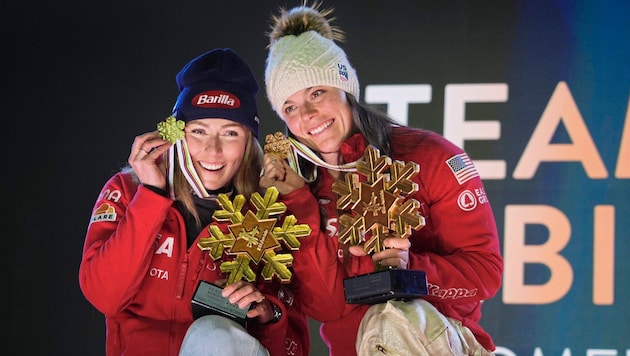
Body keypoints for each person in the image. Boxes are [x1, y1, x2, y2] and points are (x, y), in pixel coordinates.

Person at [259, 3, 504, 356]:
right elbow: (327, 308)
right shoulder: (297, 187)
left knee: (391, 318)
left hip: (440, 344)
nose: (308, 115)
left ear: (345, 89)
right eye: (290, 107)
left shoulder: (429, 156)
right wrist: (301, 204)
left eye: (316, 93)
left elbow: (486, 274)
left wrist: (411, 270)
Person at [79, 48, 309, 356]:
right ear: (175, 136)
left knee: (213, 336)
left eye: (229, 133)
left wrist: (269, 315)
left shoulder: (269, 212)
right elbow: (104, 297)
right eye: (198, 131)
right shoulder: (128, 190)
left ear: (249, 143)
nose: (213, 151)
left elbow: (294, 345)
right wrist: (151, 196)